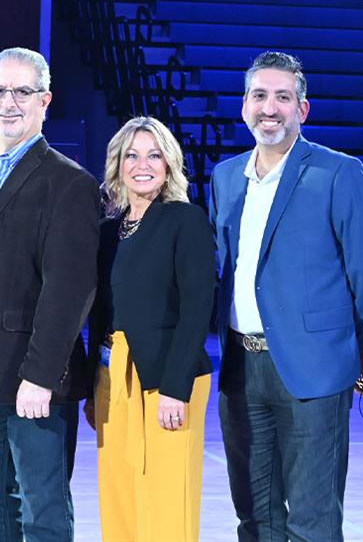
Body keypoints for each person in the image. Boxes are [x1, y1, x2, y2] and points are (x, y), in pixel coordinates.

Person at [209, 51, 363, 541]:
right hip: (240, 371)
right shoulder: (225, 177)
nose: (269, 108)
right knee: (255, 515)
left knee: (312, 520)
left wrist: (344, 345)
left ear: (302, 109)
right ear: (244, 105)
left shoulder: (339, 173)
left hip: (314, 371)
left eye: (283, 97)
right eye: (259, 96)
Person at [0, 47, 98, 542]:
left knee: (43, 510)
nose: (8, 102)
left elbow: (69, 291)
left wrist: (40, 375)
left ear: (45, 100)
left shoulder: (69, 183)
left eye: (22, 92)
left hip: (34, 381)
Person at [86, 117, 216, 542]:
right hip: (111, 378)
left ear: (170, 164)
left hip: (166, 380)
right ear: (118, 165)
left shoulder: (185, 220)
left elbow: (198, 308)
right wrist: (93, 388)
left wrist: (175, 388)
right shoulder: (108, 231)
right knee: (120, 497)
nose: (143, 165)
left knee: (164, 503)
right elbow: (99, 314)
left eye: (154, 154)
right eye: (132, 155)